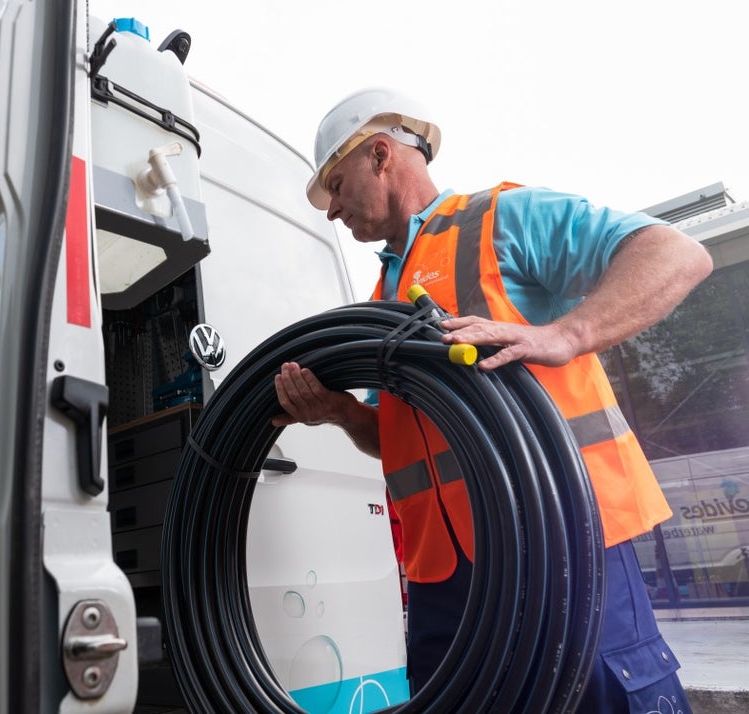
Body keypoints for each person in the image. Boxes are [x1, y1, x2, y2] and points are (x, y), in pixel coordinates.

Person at [272, 87, 713, 711]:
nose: (332, 210)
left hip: (561, 534)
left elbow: (676, 253)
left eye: (337, 186)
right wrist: (342, 412)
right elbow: (395, 436)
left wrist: (565, 334)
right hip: (443, 576)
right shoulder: (382, 293)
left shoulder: (499, 219)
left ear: (378, 155)